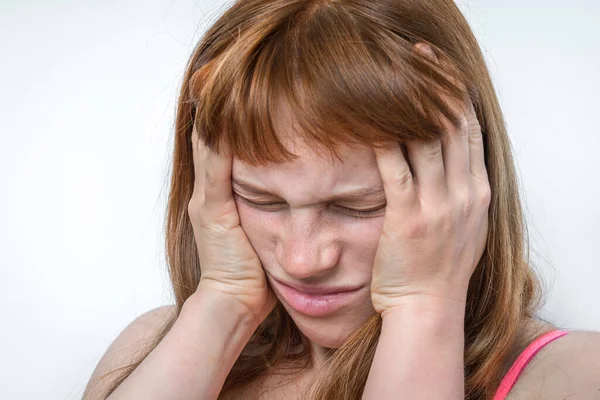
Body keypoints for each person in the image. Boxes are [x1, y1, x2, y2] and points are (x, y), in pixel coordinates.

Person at [83, 0, 600, 399]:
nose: (302, 260)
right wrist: (224, 301)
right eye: (260, 199)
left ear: (464, 186)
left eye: (358, 206)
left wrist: (422, 307)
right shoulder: (152, 347)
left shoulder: (575, 377)